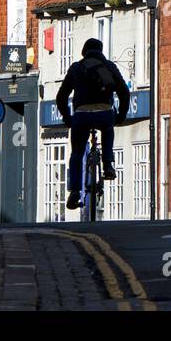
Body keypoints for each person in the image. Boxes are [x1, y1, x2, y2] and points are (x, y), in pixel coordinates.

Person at [57, 37, 131, 211]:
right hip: (104, 112)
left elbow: (61, 96)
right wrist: (121, 115)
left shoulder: (76, 68)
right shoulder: (109, 66)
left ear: (84, 52)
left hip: (81, 115)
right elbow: (124, 92)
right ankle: (108, 164)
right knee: (107, 128)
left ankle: (75, 190)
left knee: (77, 152)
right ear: (101, 51)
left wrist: (68, 118)